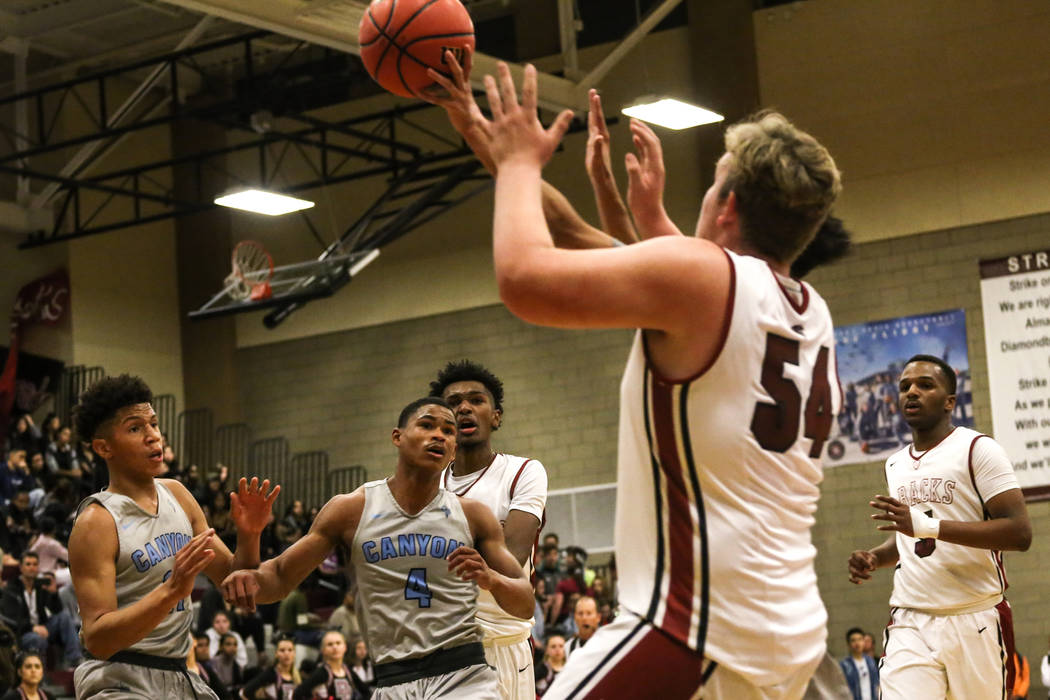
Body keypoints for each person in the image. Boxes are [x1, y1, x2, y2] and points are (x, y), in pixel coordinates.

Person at [427, 53, 843, 698]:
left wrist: (516, 160)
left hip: (697, 627)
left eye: (711, 184)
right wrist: (476, 127)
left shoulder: (703, 282)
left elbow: (524, 278)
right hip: (788, 629)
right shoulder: (806, 310)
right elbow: (569, 232)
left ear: (726, 205)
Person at [221, 397, 535, 699]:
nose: (439, 435)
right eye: (427, 425)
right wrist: (250, 536)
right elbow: (276, 579)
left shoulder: (474, 515)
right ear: (397, 437)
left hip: (463, 674)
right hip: (392, 679)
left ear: (453, 451)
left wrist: (491, 580)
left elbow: (525, 604)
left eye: (448, 431)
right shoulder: (350, 510)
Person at [67, 374, 279, 699]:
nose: (153, 437)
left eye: (153, 424)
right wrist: (172, 591)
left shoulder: (178, 495)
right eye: (135, 428)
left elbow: (236, 582)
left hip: (178, 673)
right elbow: (98, 638)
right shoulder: (97, 521)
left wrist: (249, 535)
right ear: (103, 447)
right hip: (118, 677)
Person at [847, 355, 1032, 700]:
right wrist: (874, 557)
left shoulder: (979, 449)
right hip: (911, 619)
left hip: (974, 616)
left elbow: (1019, 533)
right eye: (904, 387)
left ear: (950, 402)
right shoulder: (895, 463)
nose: (911, 392)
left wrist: (930, 526)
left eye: (925, 385)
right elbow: (913, 538)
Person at [428, 359, 549, 700]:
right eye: (453, 403)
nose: (464, 408)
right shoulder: (423, 485)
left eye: (476, 400)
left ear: (495, 416)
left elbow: (510, 555)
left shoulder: (524, 471)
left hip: (508, 643)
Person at [0, 551, 82, 667]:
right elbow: (11, 619)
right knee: (37, 639)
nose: (32, 568)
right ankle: (41, 676)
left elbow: (57, 610)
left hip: (43, 627)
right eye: (28, 564)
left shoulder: (40, 587)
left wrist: (53, 594)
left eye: (35, 564)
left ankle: (75, 659)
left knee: (64, 617)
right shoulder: (11, 589)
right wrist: (33, 628)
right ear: (21, 568)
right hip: (23, 632)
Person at [293, 630, 362, 700]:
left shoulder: (348, 671)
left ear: (345, 647)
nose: (335, 647)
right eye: (330, 644)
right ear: (323, 650)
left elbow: (366, 693)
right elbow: (297, 694)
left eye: (338, 643)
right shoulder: (321, 673)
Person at [240, 635, 299, 699]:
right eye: (282, 650)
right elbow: (244, 692)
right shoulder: (271, 673)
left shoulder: (296, 676)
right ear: (276, 654)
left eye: (290, 650)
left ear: (294, 653)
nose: (286, 653)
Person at [838, 627, 878, 700]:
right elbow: (841, 689)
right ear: (849, 644)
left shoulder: (870, 661)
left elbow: (876, 684)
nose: (857, 643)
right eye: (853, 640)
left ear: (863, 642)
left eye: (860, 639)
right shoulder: (844, 665)